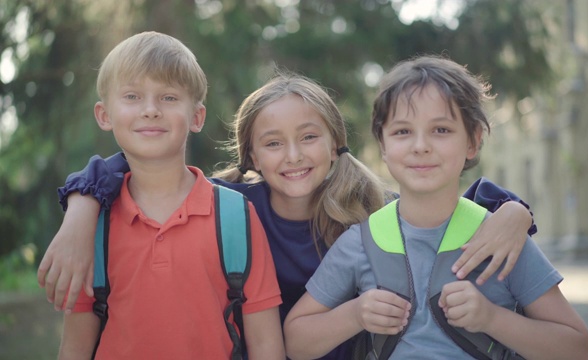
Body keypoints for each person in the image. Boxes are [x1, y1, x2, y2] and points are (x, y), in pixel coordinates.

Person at [42, 72, 535, 359]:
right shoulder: (226, 208)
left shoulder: (370, 210)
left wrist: (513, 210)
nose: (294, 156)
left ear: (336, 142)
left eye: (309, 137)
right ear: (251, 155)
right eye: (273, 143)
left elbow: (452, 202)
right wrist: (81, 208)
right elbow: (126, 169)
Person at [283, 55, 588, 359]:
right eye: (402, 131)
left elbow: (577, 349)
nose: (421, 146)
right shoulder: (361, 242)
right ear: (383, 147)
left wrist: (492, 319)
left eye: (441, 130)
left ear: (473, 141)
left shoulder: (502, 239)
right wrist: (355, 315)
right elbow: (296, 342)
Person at [55, 31, 284, 359]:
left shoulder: (234, 216)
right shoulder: (92, 224)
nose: (150, 110)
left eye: (169, 97)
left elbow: (266, 346)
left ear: (197, 117)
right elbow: (75, 349)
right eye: (132, 96)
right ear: (104, 115)